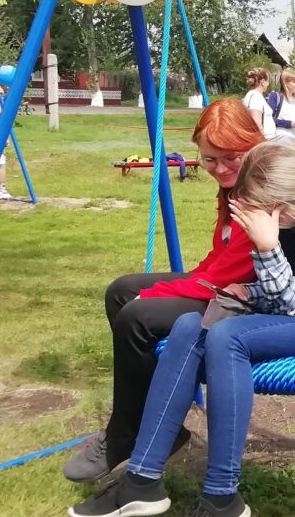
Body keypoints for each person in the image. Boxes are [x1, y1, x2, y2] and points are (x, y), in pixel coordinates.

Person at [69, 139, 295, 517]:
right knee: (190, 325)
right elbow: (284, 294)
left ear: (286, 203)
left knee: (226, 336)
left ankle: (222, 496)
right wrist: (249, 289)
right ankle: (142, 480)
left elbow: (294, 302)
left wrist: (267, 247)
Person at [63, 99, 268, 484]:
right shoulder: (235, 184)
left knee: (137, 317)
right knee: (121, 292)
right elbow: (220, 257)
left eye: (231, 158)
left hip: (254, 303)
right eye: (210, 159)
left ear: (252, 146)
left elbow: (230, 274)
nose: (220, 168)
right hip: (226, 286)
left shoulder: (263, 189)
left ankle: (125, 434)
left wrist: (160, 294)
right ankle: (161, 425)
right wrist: (172, 285)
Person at [266, 68, 295, 141]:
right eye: (294, 82)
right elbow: (267, 118)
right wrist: (288, 123)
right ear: (285, 83)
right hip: (281, 141)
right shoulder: (276, 97)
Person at [242, 66, 277, 140]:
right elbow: (256, 122)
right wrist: (263, 141)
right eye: (268, 81)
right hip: (264, 140)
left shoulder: (254, 95)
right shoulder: (256, 97)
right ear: (263, 81)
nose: (268, 84)